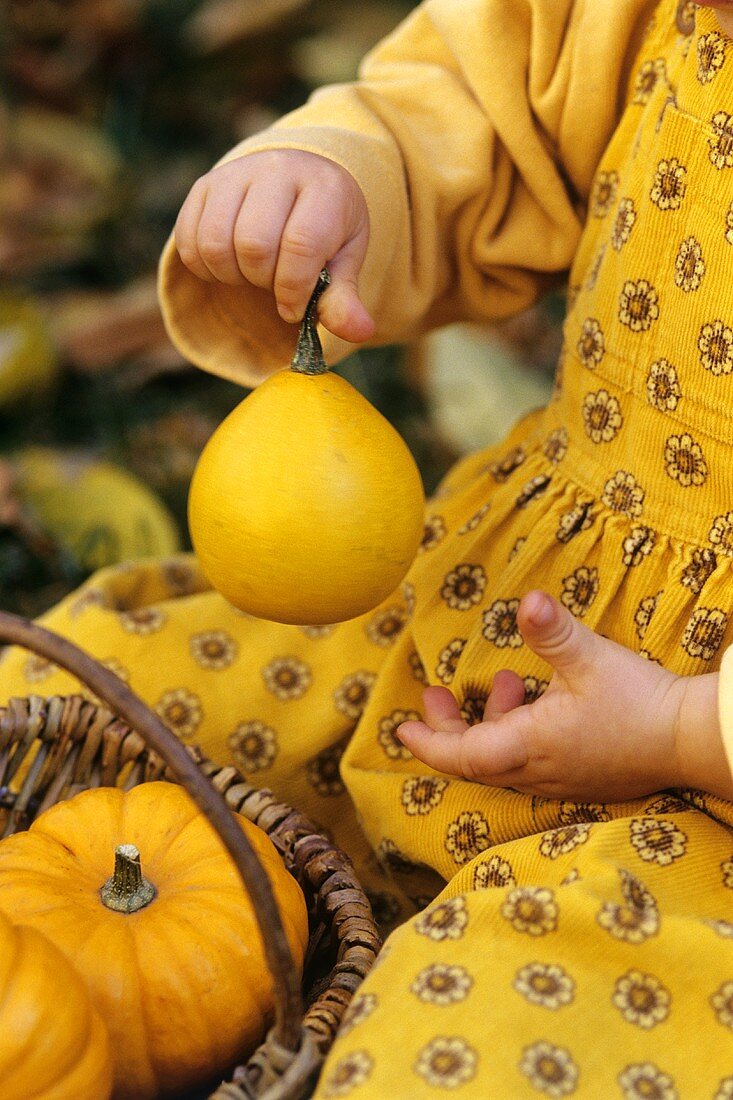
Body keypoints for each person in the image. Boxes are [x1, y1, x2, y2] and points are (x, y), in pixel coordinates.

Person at [3, 0, 733, 1092]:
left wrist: (683, 730)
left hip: (705, 806)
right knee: (96, 709)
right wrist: (338, 176)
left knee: (479, 1049)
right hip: (502, 597)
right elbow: (477, 113)